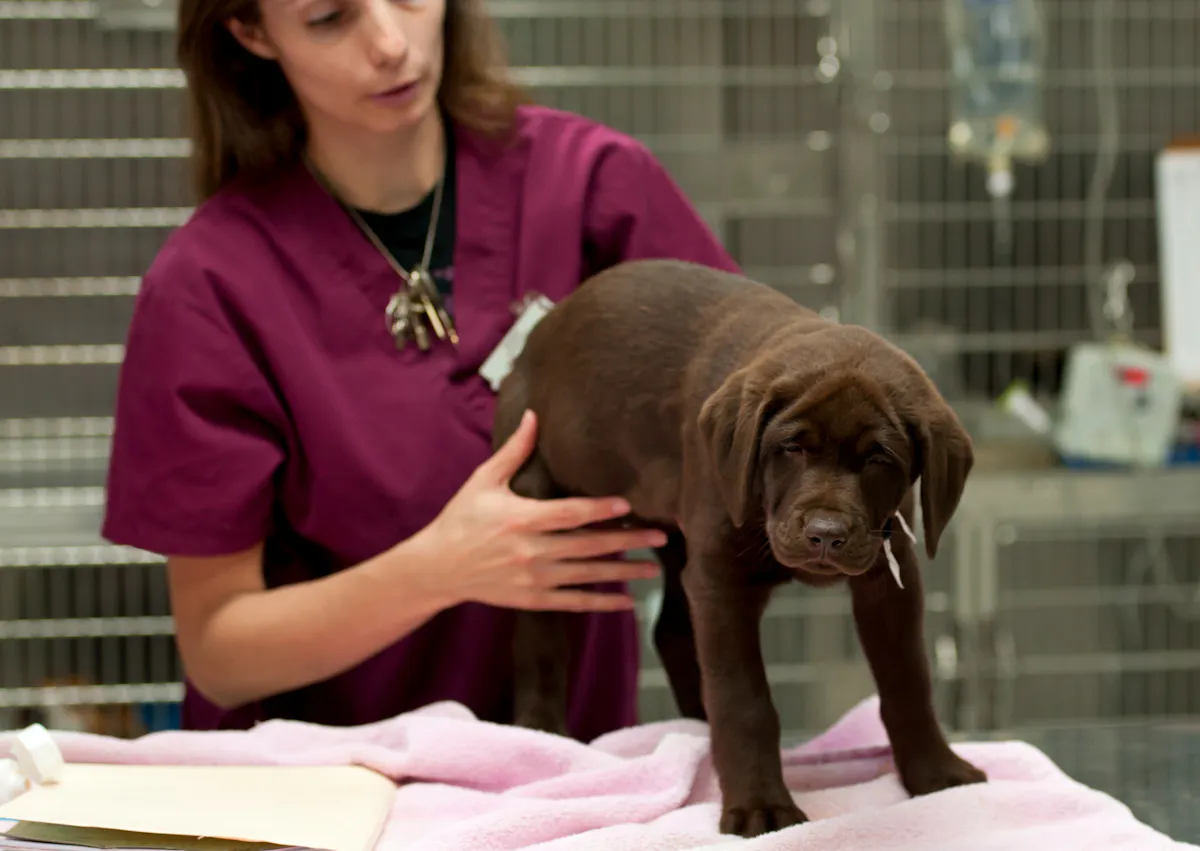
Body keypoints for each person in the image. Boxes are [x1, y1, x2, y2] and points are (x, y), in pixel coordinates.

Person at [100, 0, 740, 741]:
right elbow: (220, 652)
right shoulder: (210, 286)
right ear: (251, 32)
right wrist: (439, 569)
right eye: (329, 17)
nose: (389, 43)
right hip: (331, 781)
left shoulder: (592, 186)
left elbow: (739, 405)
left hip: (572, 770)